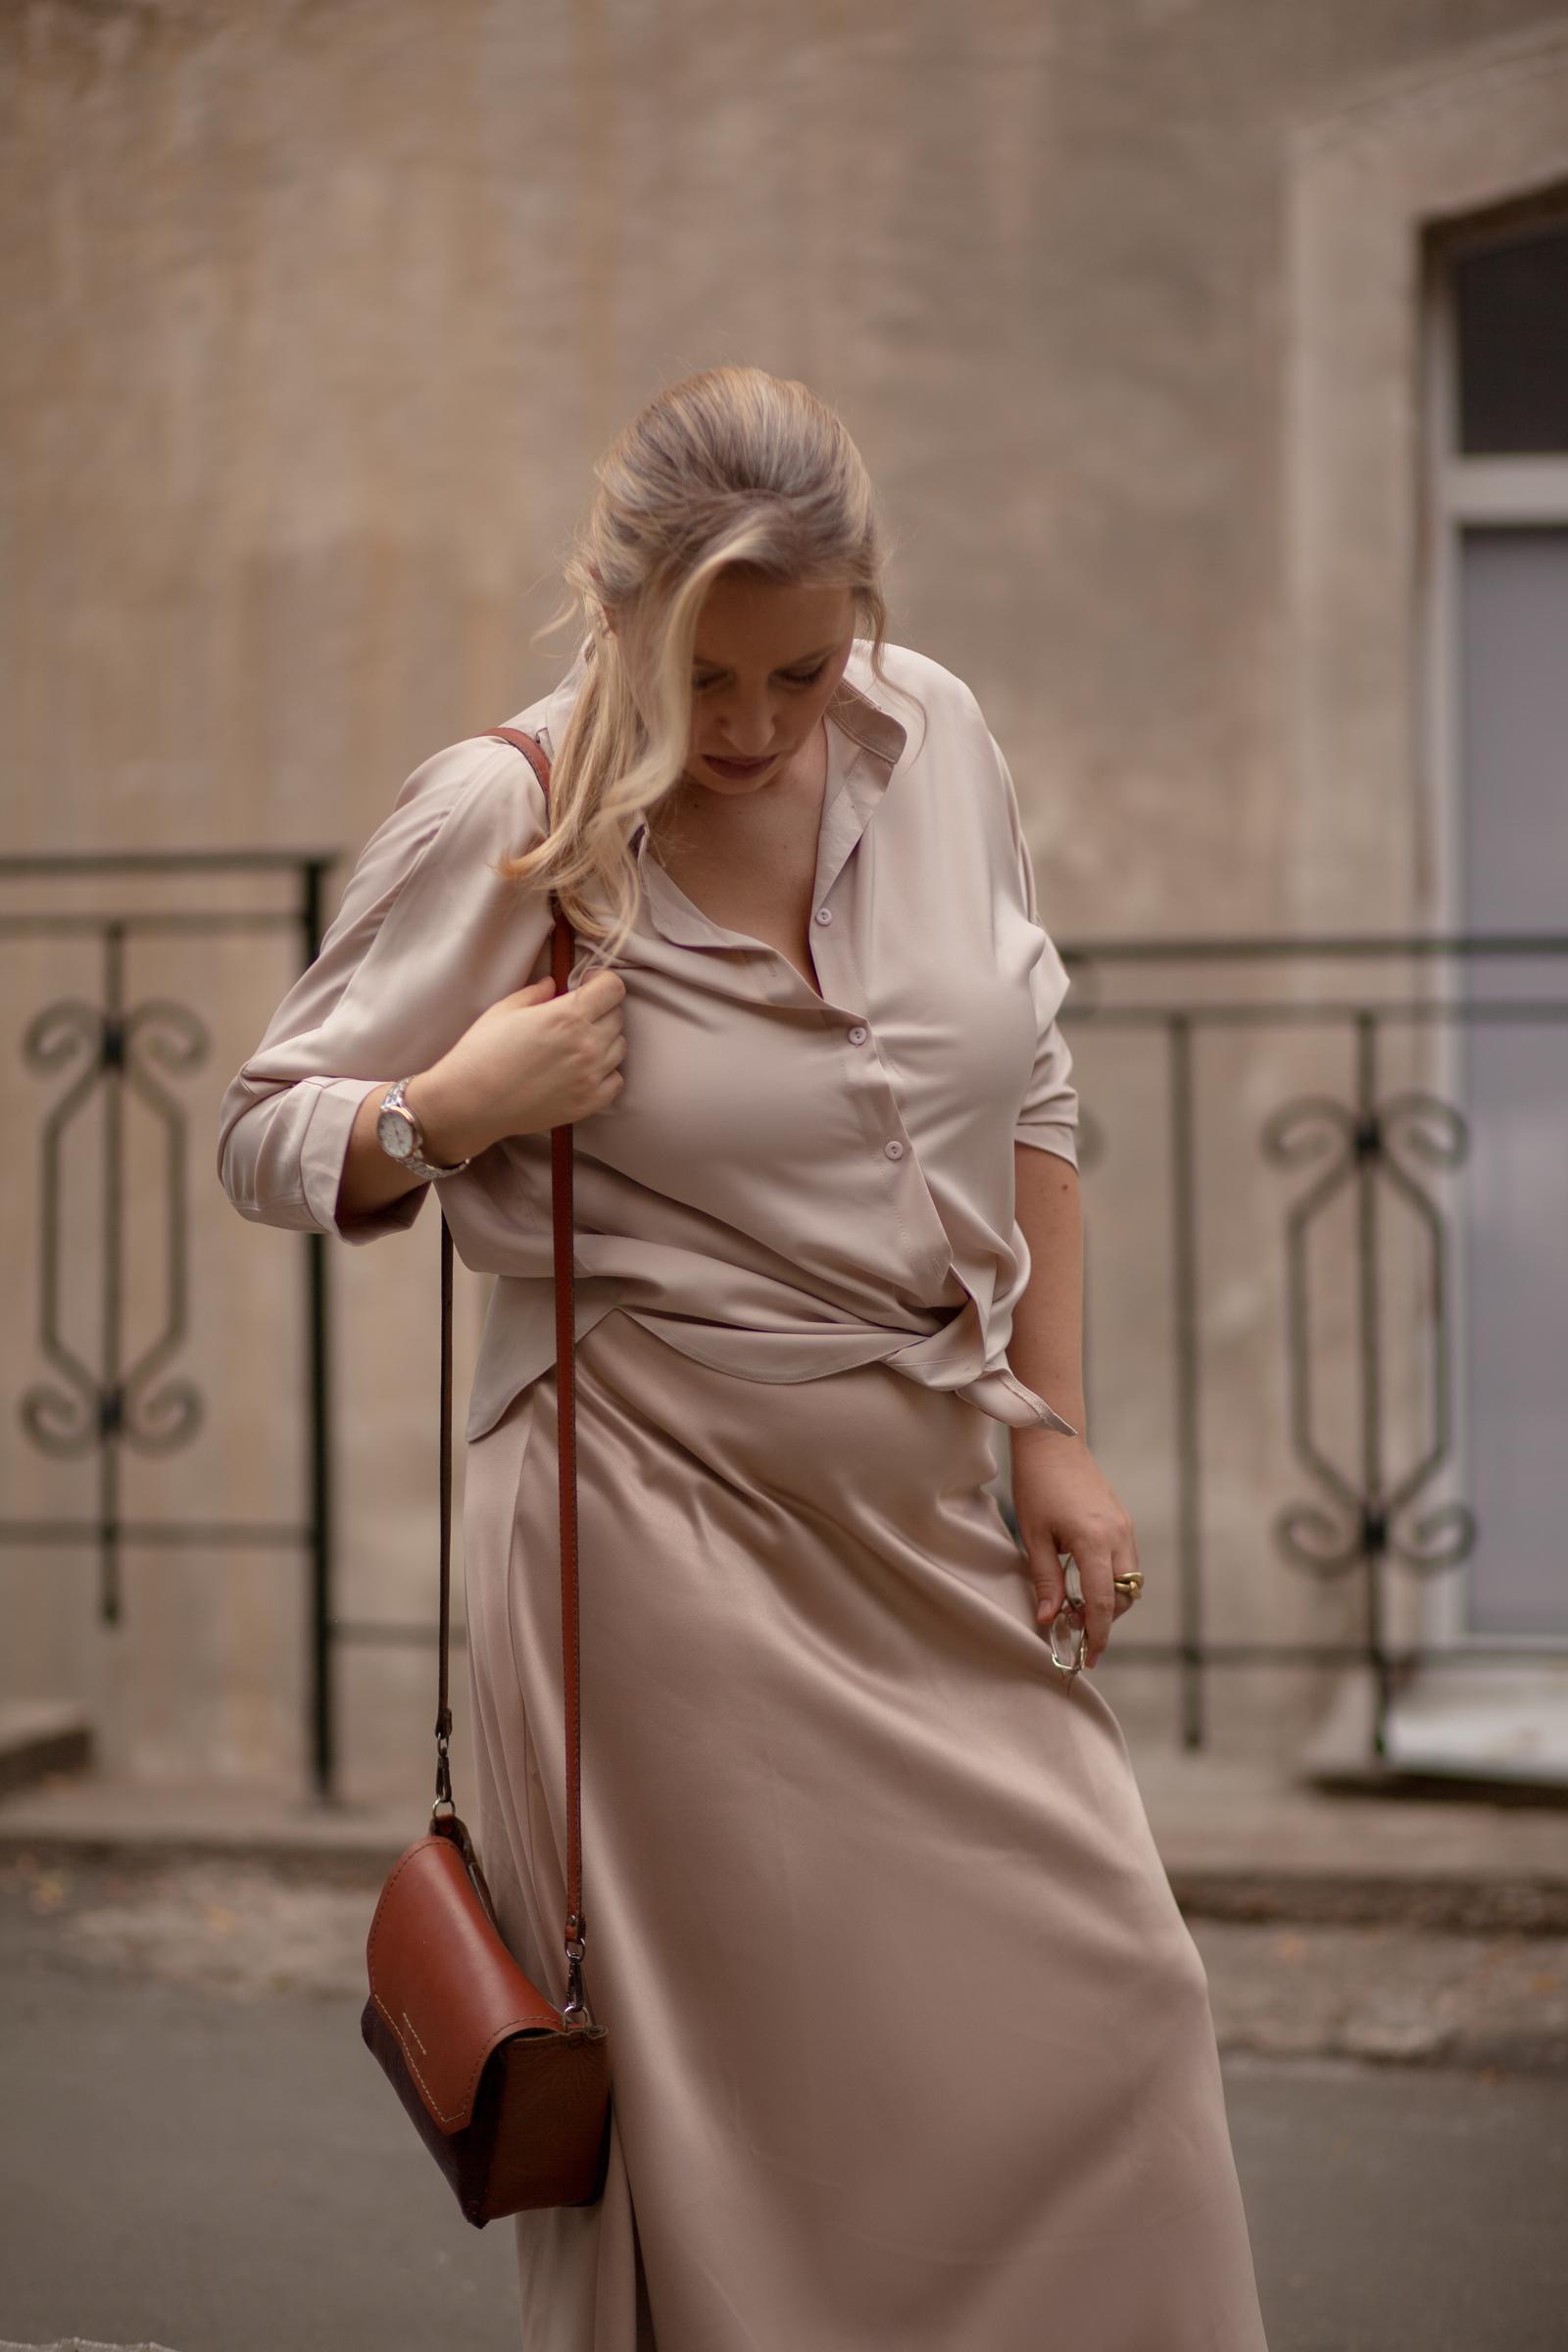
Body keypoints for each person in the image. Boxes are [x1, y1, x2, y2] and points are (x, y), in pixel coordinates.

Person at [217, 364, 1269, 2350]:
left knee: (1112, 1998)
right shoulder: (510, 810)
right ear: (611, 604)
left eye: (802, 667)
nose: (754, 726)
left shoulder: (934, 733)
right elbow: (265, 1133)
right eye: (704, 676)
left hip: (916, 1519)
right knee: (749, 2129)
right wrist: (450, 1103)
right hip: (645, 1539)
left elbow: (1032, 1086)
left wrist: (1052, 1430)